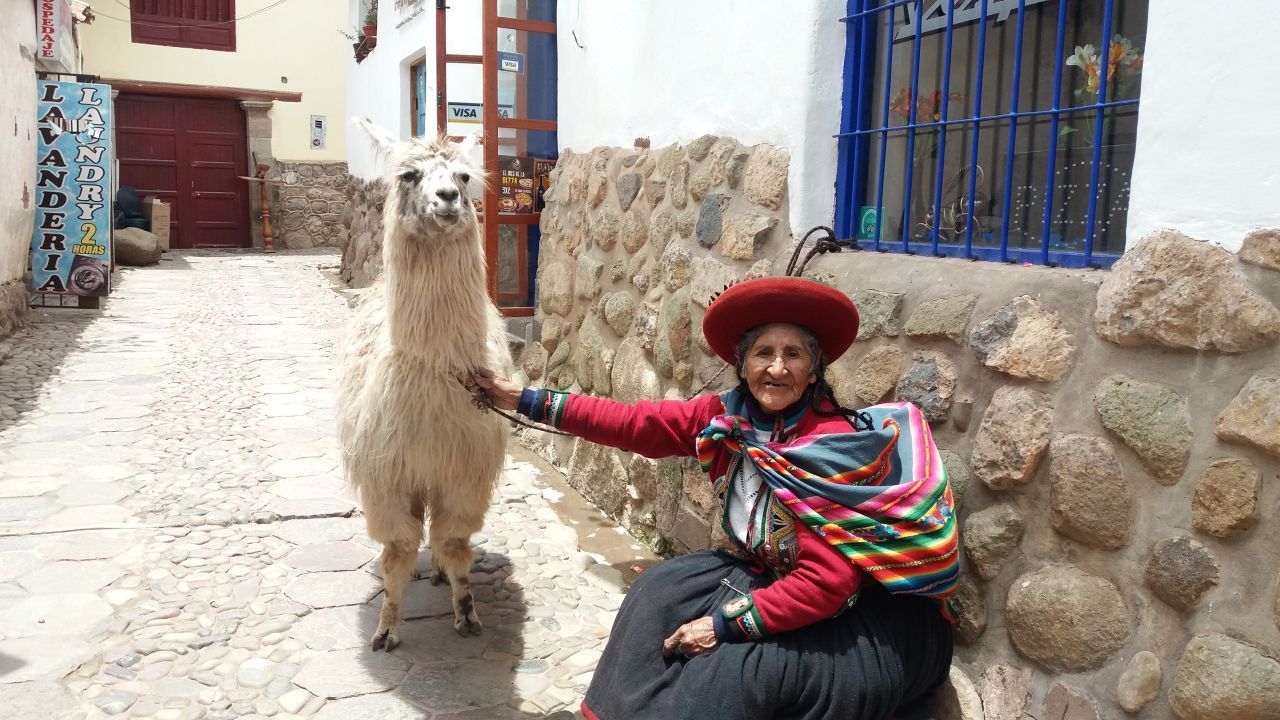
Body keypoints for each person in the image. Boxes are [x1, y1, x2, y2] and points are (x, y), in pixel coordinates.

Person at [468, 276, 958, 720]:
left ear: (814, 370)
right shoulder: (729, 420)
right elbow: (634, 423)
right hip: (786, 577)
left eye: (794, 354)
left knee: (735, 668)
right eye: (763, 353)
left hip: (877, 620)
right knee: (656, 594)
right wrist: (522, 399)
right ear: (742, 364)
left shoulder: (832, 446)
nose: (777, 367)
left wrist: (721, 625)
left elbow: (827, 583)